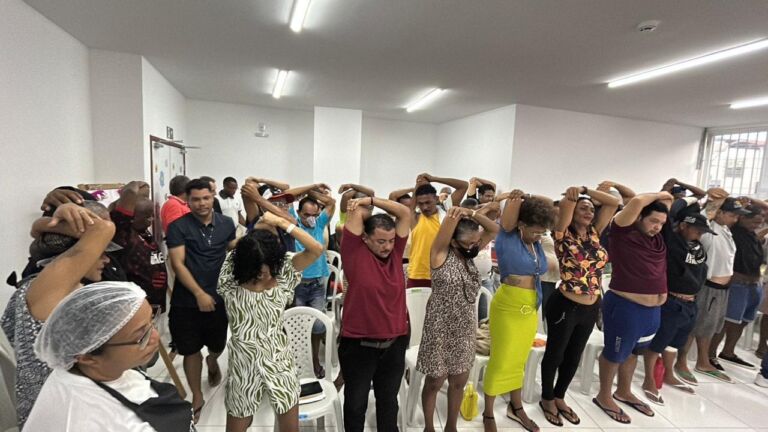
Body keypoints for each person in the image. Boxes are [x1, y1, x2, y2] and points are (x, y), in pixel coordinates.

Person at [25, 281, 194, 431]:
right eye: (142, 336)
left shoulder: (105, 369)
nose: (156, 337)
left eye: (152, 321)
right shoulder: (92, 420)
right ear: (87, 357)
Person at [2, 203, 115, 426]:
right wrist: (61, 213)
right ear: (68, 255)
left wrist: (42, 225)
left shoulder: (53, 289)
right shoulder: (46, 291)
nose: (107, 260)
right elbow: (104, 229)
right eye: (100, 252)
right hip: (57, 414)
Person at [217, 211, 323, 432]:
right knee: (237, 426)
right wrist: (255, 229)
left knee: (290, 428)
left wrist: (282, 223)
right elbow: (236, 248)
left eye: (268, 271)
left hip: (277, 359)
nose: (264, 276)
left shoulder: (283, 270)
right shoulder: (230, 277)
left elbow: (316, 249)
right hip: (243, 363)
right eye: (257, 273)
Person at [539, 185, 618, 427]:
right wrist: (574, 195)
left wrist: (587, 190)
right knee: (556, 353)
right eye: (583, 208)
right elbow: (567, 204)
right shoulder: (562, 233)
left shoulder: (595, 232)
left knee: (574, 356)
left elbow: (613, 203)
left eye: (592, 209)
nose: (589, 212)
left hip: (591, 307)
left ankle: (560, 396)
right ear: (572, 212)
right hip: (565, 305)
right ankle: (547, 398)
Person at [417, 205, 499, 432]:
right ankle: (429, 427)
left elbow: (494, 230)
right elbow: (447, 228)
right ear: (453, 242)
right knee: (434, 382)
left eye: (476, 243)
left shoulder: (469, 254)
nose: (474, 247)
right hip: (439, 328)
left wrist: (471, 213)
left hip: (465, 328)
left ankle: (451, 427)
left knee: (459, 382)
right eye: (469, 243)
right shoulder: (439, 254)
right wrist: (453, 215)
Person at [593, 192, 672, 424]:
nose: (657, 227)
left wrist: (664, 202)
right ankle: (604, 395)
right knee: (614, 354)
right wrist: (663, 192)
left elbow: (667, 204)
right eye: (653, 221)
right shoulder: (623, 232)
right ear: (638, 217)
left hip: (652, 312)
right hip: (626, 307)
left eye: (661, 223)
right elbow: (637, 201)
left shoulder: (657, 238)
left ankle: (624, 391)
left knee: (635, 351)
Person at [482, 190, 554, 432]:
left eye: (542, 232)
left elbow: (547, 205)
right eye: (535, 231)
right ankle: (488, 412)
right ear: (521, 225)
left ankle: (516, 406)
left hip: (530, 306)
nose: (538, 236)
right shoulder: (507, 236)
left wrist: (534, 201)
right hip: (507, 307)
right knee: (501, 359)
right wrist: (517, 197)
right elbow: (510, 215)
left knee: (519, 360)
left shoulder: (536, 245)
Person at [166, 178, 237, 422]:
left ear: (212, 197)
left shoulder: (226, 223)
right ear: (188, 200)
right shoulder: (178, 227)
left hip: (218, 299)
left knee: (217, 345)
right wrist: (198, 293)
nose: (201, 203)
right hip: (186, 302)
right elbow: (177, 263)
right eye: (195, 199)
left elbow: (231, 248)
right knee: (190, 350)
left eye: (206, 198)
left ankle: (213, 361)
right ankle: (197, 396)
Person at [339, 195, 411, 432]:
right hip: (359, 345)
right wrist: (363, 206)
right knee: (355, 405)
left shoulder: (395, 253)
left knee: (389, 402)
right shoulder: (353, 252)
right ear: (365, 238)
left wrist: (371, 199)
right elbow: (357, 213)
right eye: (380, 241)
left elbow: (404, 213)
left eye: (391, 240)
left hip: (394, 343)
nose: (387, 246)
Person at [640, 200, 712, 405]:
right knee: (658, 343)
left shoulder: (697, 246)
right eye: (697, 230)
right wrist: (690, 198)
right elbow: (673, 208)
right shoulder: (672, 241)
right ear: (683, 226)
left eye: (702, 232)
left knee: (674, 343)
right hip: (672, 300)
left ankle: (669, 373)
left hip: (691, 302)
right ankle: (649, 379)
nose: (700, 235)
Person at [675, 194, 747, 385]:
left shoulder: (725, 230)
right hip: (707, 286)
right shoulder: (709, 228)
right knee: (694, 326)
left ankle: (703, 361)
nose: (735, 219)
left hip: (722, 289)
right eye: (732, 215)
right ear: (719, 213)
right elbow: (707, 212)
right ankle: (681, 362)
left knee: (709, 326)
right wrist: (715, 199)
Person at [285, 184, 336, 378]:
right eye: (306, 214)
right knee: (298, 325)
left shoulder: (320, 224)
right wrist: (309, 188)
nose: (311, 219)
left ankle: (314, 359)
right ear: (299, 213)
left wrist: (313, 193)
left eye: (314, 214)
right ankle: (299, 362)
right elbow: (288, 195)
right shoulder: (294, 224)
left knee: (317, 326)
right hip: (298, 284)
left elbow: (332, 202)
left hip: (317, 284)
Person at [711, 202, 766, 369]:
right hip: (738, 284)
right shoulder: (733, 231)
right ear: (743, 218)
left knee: (743, 320)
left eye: (760, 223)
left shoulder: (752, 234)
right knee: (728, 320)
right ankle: (710, 354)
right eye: (754, 221)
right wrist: (749, 200)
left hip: (754, 284)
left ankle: (728, 351)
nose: (757, 225)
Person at [110, 181, 168, 311]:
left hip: (155, 302)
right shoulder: (124, 235)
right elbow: (130, 192)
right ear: (132, 217)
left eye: (152, 216)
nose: (151, 220)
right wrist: (135, 185)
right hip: (136, 305)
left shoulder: (144, 232)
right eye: (147, 217)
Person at [407, 173, 468, 288]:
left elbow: (464, 186)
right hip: (417, 276)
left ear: (436, 199)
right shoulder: (415, 218)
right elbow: (412, 204)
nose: (425, 207)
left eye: (428, 202)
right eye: (421, 204)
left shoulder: (447, 214)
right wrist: (419, 182)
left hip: (441, 275)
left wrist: (434, 178)